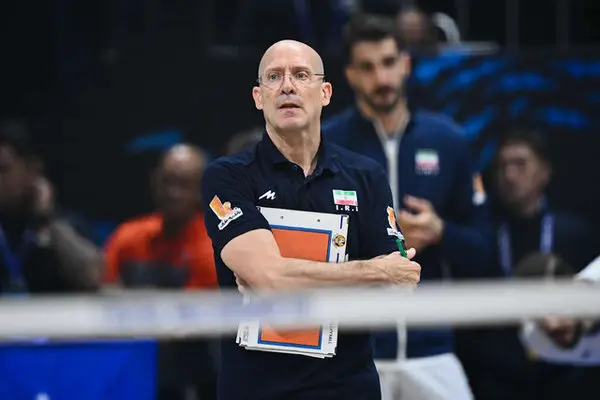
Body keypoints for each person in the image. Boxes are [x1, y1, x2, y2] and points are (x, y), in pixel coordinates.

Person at [201, 39, 421, 400]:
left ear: (325, 93)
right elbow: (270, 278)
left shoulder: (366, 176)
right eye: (274, 77)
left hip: (348, 388)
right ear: (258, 97)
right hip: (257, 390)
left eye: (301, 75)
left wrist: (287, 275)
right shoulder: (228, 176)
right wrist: (373, 271)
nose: (287, 86)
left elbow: (400, 284)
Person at [322, 14, 490, 399]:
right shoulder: (327, 145)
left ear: (406, 64)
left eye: (388, 62)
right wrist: (374, 243)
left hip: (431, 347)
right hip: (353, 351)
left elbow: (484, 249)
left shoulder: (448, 140)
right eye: (367, 67)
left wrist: (440, 232)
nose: (381, 78)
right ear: (349, 75)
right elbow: (307, 249)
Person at [456, 129, 598, 400]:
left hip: (568, 371)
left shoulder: (575, 233)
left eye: (520, 164)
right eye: (502, 166)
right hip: (501, 375)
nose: (510, 175)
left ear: (545, 171)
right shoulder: (483, 238)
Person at [103, 143, 218, 400]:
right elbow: (106, 294)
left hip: (194, 374)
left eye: (184, 184)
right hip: (131, 367)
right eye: (167, 181)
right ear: (154, 182)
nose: (172, 193)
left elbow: (183, 320)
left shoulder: (213, 246)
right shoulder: (127, 237)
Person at [0, 119, 102, 294]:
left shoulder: (66, 223)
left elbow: (93, 275)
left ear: (32, 171)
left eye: (3, 170)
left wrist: (48, 219)